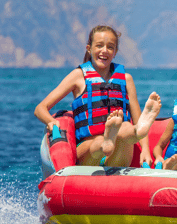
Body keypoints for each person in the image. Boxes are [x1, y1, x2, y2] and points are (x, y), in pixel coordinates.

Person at [34, 25, 161, 167]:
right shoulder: (78, 76)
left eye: (110, 47)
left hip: (119, 152)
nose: (104, 51)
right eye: (99, 45)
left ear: (115, 52)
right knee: (99, 143)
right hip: (89, 151)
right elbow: (40, 108)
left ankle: (137, 132)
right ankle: (106, 142)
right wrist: (51, 121)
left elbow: (137, 118)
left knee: (125, 126)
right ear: (89, 48)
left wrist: (145, 150)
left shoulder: (126, 79)